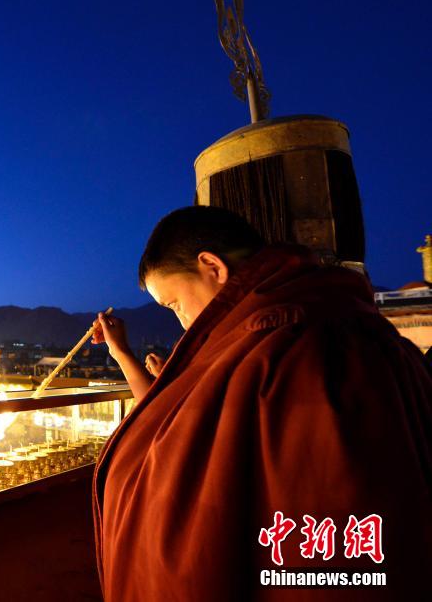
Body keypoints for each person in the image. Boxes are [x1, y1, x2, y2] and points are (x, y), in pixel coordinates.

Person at [91, 206, 432, 601]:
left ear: (212, 267)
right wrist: (124, 355)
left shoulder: (296, 353)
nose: (183, 322)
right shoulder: (344, 329)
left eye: (174, 304)